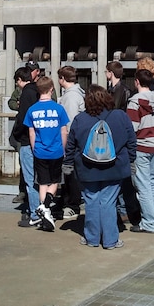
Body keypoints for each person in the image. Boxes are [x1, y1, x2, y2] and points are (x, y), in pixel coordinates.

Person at [64, 84, 136, 249]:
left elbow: (71, 144)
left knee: (91, 201)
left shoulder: (80, 119)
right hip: (115, 167)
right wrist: (131, 160)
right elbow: (131, 140)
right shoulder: (120, 116)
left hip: (87, 168)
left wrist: (68, 163)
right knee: (109, 202)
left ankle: (92, 238)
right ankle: (110, 240)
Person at [23, 76, 69, 232]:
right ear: (51, 89)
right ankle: (45, 206)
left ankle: (44, 212)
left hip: (39, 151)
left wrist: (34, 148)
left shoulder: (32, 110)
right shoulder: (59, 109)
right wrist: (63, 149)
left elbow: (31, 133)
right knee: (55, 182)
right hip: (56, 151)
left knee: (42, 183)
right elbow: (64, 131)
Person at [127, 68, 154, 234]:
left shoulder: (134, 102)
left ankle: (149, 223)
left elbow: (132, 128)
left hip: (141, 146)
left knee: (143, 186)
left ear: (136, 82)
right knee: (153, 184)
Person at [106, 60, 141, 227]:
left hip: (118, 135)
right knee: (123, 177)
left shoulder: (120, 91)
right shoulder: (121, 90)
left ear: (110, 73)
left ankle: (127, 211)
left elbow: (116, 111)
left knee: (123, 178)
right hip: (120, 135)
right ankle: (125, 210)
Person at [10, 66, 41, 227]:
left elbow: (22, 118)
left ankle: (35, 213)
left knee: (30, 179)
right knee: (40, 178)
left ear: (20, 80)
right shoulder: (37, 91)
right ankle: (42, 210)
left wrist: (15, 134)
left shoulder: (26, 93)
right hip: (41, 141)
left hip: (27, 141)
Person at [57, 65, 85, 218]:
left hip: (71, 140)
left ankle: (72, 204)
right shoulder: (77, 93)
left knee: (70, 172)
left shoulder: (70, 97)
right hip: (76, 139)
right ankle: (67, 200)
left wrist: (66, 142)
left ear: (62, 79)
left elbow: (70, 122)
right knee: (71, 173)